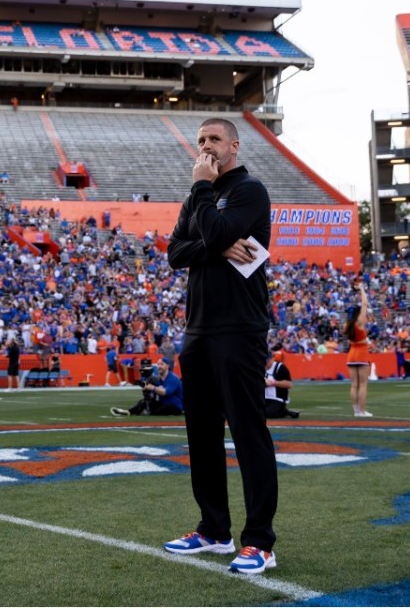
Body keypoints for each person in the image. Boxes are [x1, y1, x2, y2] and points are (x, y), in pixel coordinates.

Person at [164, 117, 279, 575]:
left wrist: (209, 218)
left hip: (239, 327)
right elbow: (175, 253)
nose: (206, 147)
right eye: (200, 141)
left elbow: (208, 233)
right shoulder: (198, 195)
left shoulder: (250, 190)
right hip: (198, 329)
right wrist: (216, 240)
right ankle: (213, 530)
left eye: (213, 139)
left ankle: (260, 542)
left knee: (248, 433)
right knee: (203, 435)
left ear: (234, 144)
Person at [110, 359, 183, 417]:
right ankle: (128, 412)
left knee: (160, 410)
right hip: (163, 403)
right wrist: (146, 389)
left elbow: (166, 392)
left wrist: (153, 388)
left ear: (167, 366)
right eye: (158, 364)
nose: (159, 366)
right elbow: (152, 394)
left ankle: (148, 412)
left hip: (176, 406)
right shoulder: (159, 379)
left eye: (162, 364)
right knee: (145, 401)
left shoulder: (173, 378)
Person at [345, 282, 372, 417]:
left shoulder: (347, 325)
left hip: (351, 354)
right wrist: (361, 289)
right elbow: (365, 304)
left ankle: (356, 410)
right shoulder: (360, 321)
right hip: (361, 354)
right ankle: (362, 411)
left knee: (354, 385)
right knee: (363, 384)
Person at [264, 349, 298, 419]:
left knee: (268, 413)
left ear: (272, 358)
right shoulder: (259, 368)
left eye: (266, 361)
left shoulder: (280, 367)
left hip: (277, 399)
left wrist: (272, 382)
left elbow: (289, 384)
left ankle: (283, 411)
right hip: (263, 398)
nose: (264, 363)